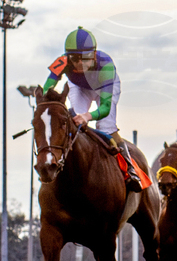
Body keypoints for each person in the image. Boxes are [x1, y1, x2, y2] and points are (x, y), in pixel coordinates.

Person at [42, 27, 142, 192]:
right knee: (76, 122)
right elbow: (47, 87)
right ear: (68, 57)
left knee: (106, 126)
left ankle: (130, 169)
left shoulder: (106, 65)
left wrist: (88, 116)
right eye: (74, 58)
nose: (80, 63)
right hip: (79, 87)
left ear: (94, 55)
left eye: (86, 58)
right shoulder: (62, 61)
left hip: (104, 89)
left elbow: (104, 108)